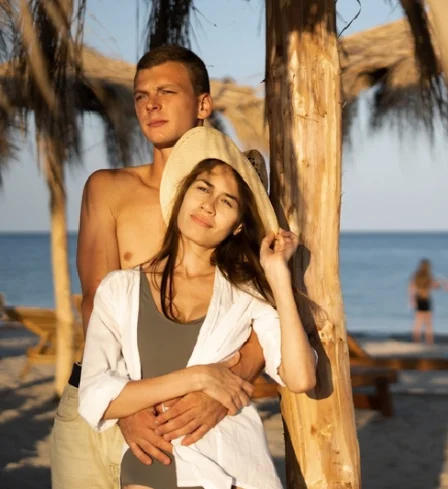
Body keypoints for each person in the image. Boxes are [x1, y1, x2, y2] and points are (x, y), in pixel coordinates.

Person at [51, 45, 267, 489]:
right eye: (140, 95)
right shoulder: (108, 188)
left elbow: (265, 309)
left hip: (185, 417)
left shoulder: (227, 204)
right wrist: (126, 409)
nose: (151, 104)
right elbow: (95, 301)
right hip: (101, 403)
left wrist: (225, 388)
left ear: (203, 104)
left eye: (167, 91)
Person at [78, 127, 316, 489]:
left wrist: (277, 275)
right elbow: (95, 395)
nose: (209, 205)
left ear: (237, 227)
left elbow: (301, 377)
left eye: (227, 201)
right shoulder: (119, 289)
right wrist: (198, 377)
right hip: (150, 468)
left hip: (232, 468)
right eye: (203, 188)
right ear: (182, 196)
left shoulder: (246, 293)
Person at [408, 258, 441, 344]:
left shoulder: (416, 275)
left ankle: (416, 339)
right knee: (428, 321)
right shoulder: (429, 275)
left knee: (418, 320)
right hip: (426, 298)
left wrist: (412, 300)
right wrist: (438, 284)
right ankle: (429, 340)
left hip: (418, 297)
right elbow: (434, 286)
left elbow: (411, 287)